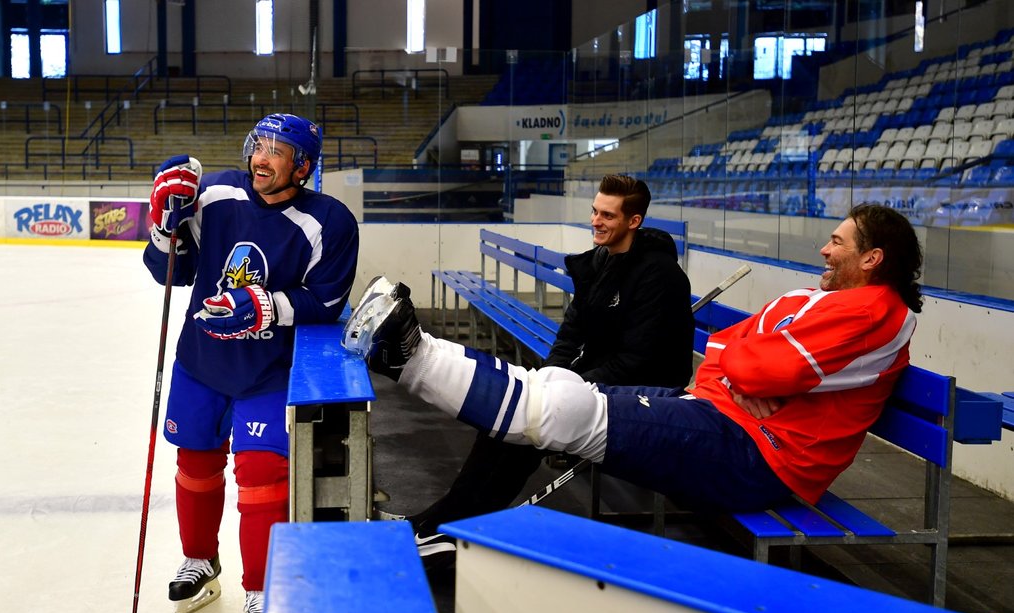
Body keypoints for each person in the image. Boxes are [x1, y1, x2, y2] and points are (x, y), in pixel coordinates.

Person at [345, 203, 922, 517]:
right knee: (547, 391)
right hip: (719, 415)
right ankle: (413, 365)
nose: (825, 249)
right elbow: (721, 351)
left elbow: (746, 365)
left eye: (839, 243)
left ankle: (409, 357)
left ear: (872, 258)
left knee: (563, 408)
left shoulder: (874, 311)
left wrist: (747, 367)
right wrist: (746, 366)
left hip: (758, 458)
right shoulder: (816, 300)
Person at [403, 174, 693, 566]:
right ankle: (446, 518)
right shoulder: (601, 262)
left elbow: (639, 362)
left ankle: (455, 526)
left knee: (527, 428)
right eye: (594, 211)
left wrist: (564, 389)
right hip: (600, 380)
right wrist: (549, 376)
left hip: (646, 395)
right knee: (503, 417)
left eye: (607, 215)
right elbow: (571, 331)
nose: (596, 221)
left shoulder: (659, 276)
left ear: (633, 221)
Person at [143, 113, 359, 613]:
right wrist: (162, 224)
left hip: (268, 369)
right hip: (202, 360)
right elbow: (169, 269)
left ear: (302, 167)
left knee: (261, 478)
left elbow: (326, 301)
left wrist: (266, 306)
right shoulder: (215, 193)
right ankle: (200, 558)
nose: (260, 158)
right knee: (195, 463)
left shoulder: (329, 221)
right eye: (258, 145)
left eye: (276, 151)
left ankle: (261, 585)